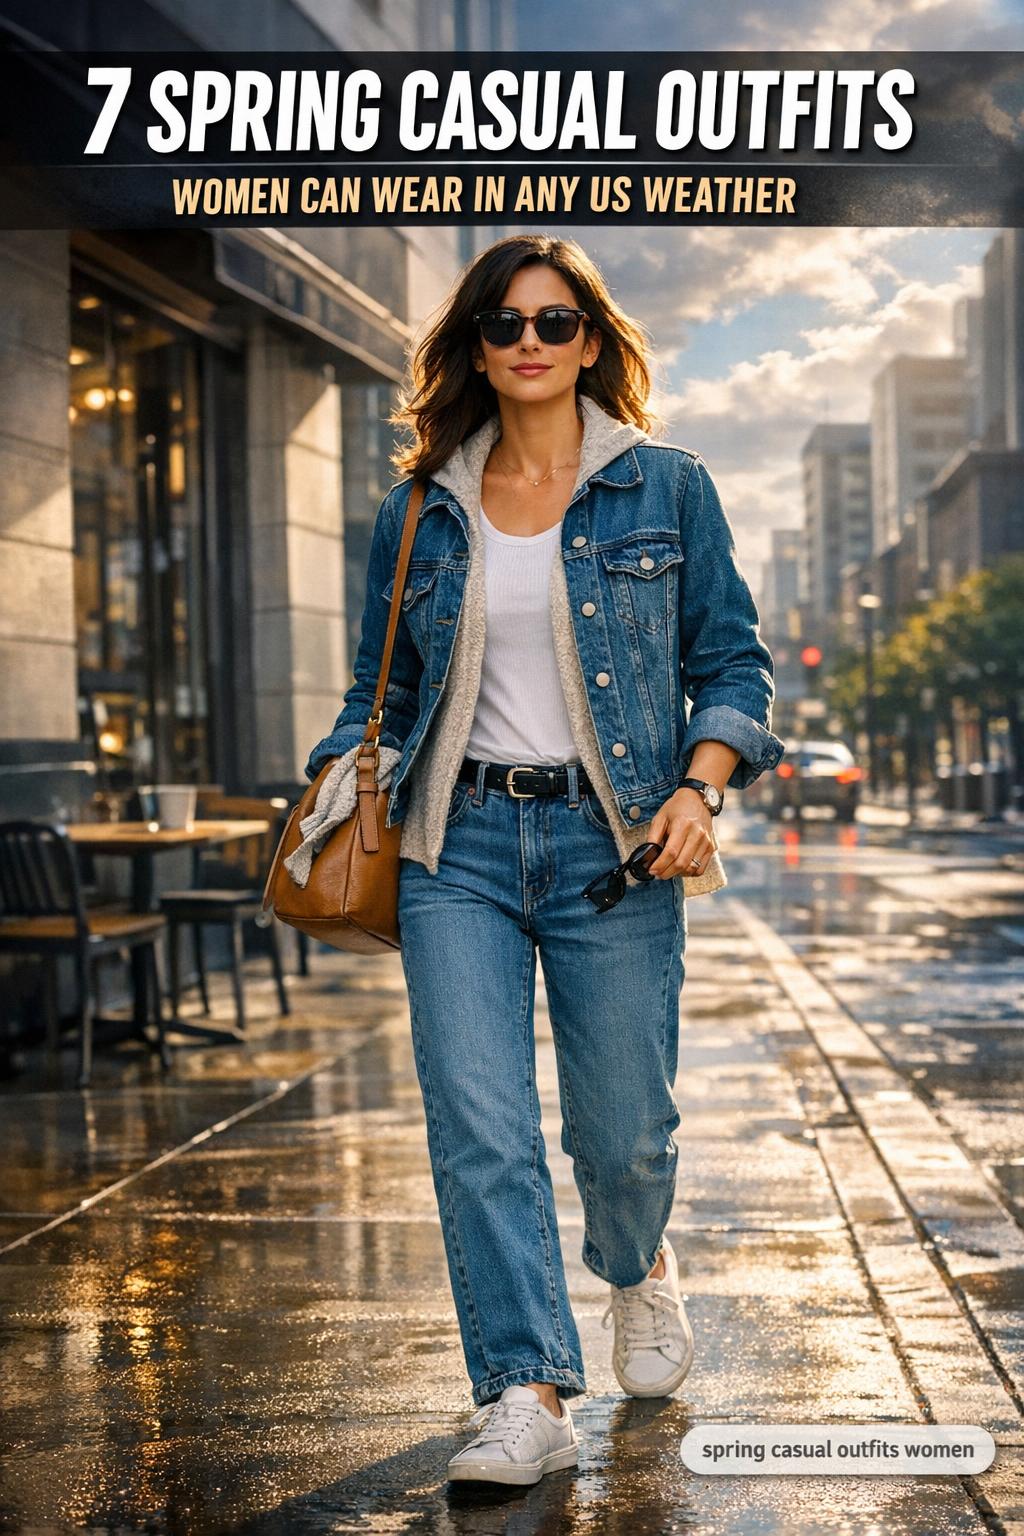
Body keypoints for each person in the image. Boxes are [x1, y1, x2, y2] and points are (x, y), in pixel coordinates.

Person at [303, 234, 784, 1486]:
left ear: (591, 341)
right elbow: (382, 688)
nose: (529, 341)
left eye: (555, 321)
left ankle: (637, 1266)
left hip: (610, 842)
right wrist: (335, 772)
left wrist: (698, 786)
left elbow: (733, 665)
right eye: (504, 323)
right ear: (472, 346)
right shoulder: (418, 507)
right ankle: (522, 1391)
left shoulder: (664, 485)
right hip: (450, 842)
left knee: (623, 1132)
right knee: (479, 1126)